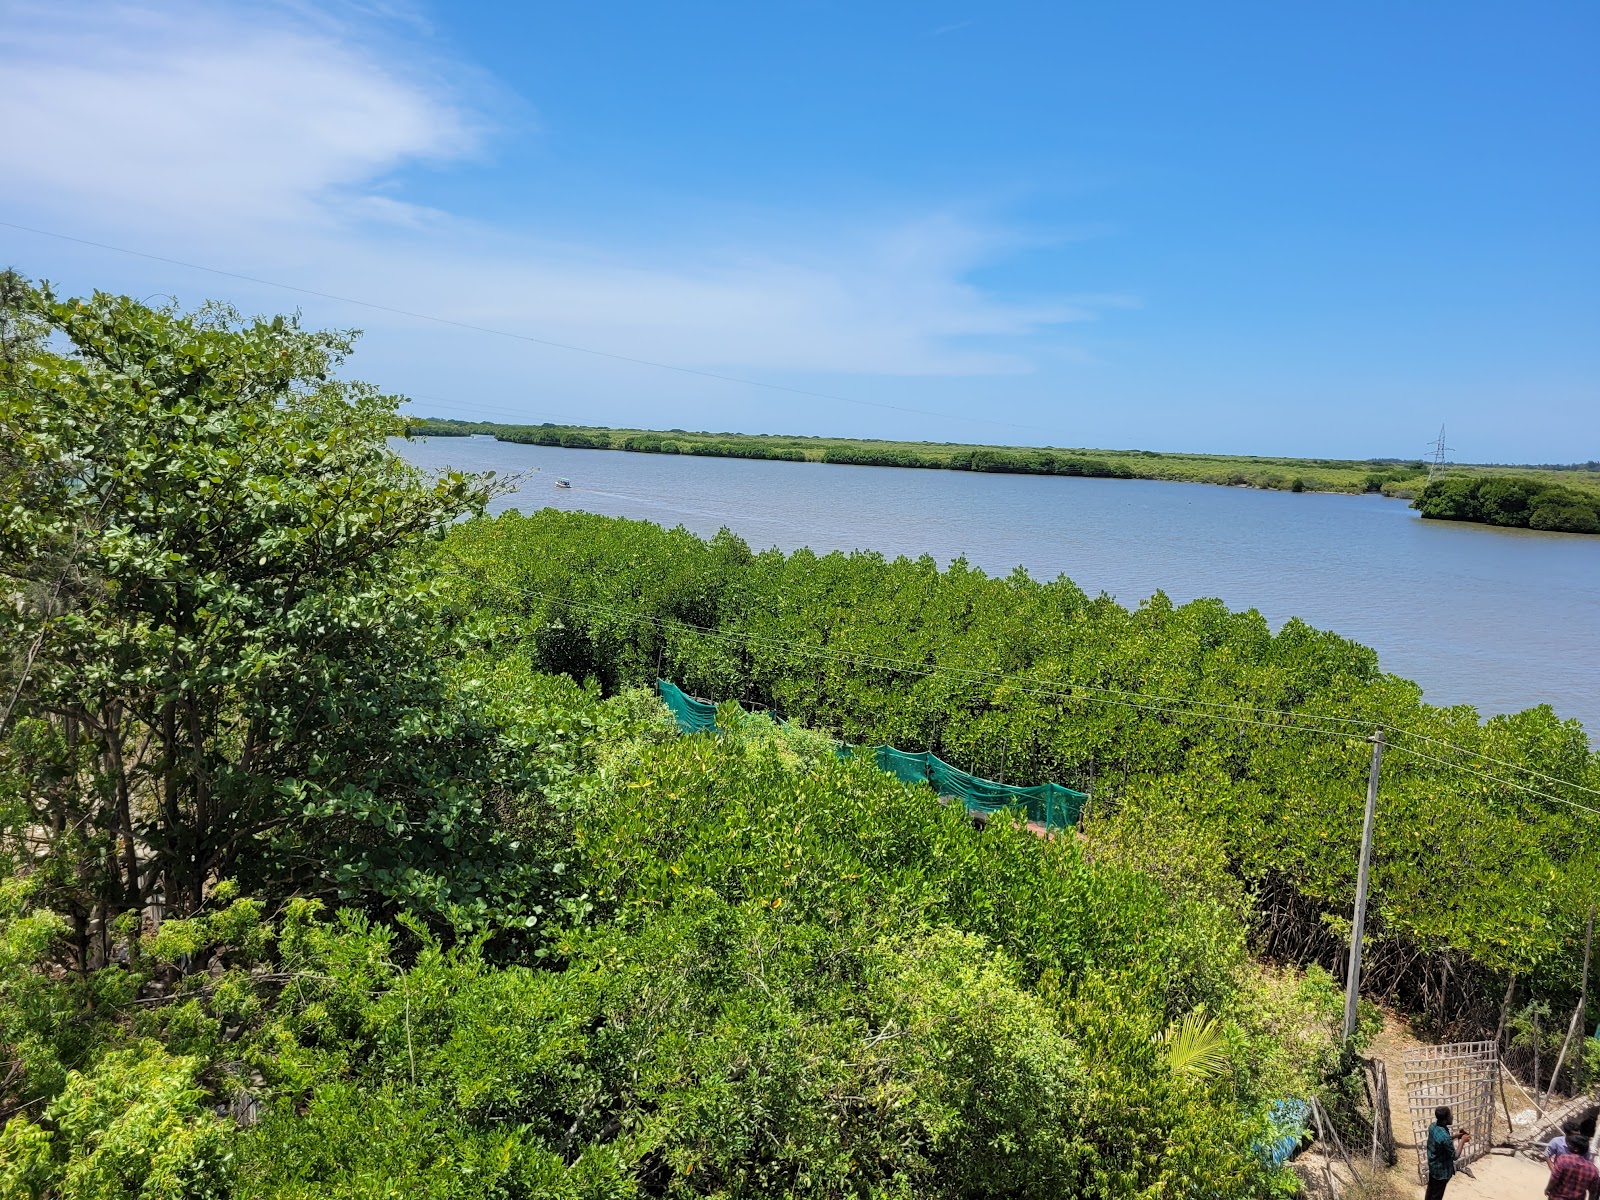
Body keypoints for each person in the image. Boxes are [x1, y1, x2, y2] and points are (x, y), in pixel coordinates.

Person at [1425, 1105, 1470, 1200]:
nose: (1452, 1116)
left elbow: (1440, 1142)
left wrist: (1454, 1136)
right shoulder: (1445, 1138)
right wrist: (1462, 1141)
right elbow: (1455, 1156)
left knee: (1430, 1191)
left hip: (1433, 1167)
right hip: (1441, 1172)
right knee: (1436, 1196)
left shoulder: (1433, 1126)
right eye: (1450, 1115)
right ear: (1445, 1120)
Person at [1547, 1133, 1600, 1199]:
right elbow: (1593, 1193)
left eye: (1570, 1144)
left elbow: (1554, 1179)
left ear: (1576, 1149)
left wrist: (1548, 1189)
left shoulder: (1563, 1159)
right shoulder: (1593, 1170)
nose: (1568, 1145)